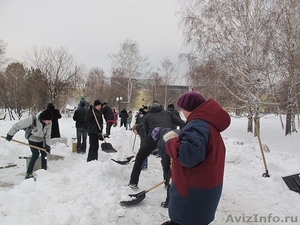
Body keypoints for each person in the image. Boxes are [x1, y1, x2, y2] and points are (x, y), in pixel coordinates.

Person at [161, 91, 231, 225]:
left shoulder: (196, 125)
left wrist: (170, 140)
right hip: (204, 191)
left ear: (188, 109)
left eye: (182, 109)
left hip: (192, 193)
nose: (182, 113)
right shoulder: (209, 126)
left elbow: (187, 156)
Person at [127, 102, 185, 189]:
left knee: (139, 158)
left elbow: (146, 132)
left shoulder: (147, 116)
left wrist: (147, 146)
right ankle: (167, 183)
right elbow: (182, 123)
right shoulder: (168, 113)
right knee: (167, 161)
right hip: (167, 138)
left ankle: (133, 182)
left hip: (152, 139)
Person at [5, 108, 53, 179]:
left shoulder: (49, 123)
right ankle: (29, 173)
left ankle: (44, 171)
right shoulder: (32, 120)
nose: (49, 122)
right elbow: (18, 125)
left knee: (44, 153)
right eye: (48, 120)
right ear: (43, 119)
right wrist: (10, 134)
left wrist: (48, 146)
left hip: (41, 139)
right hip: (32, 138)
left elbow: (48, 135)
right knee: (35, 154)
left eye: (50, 120)